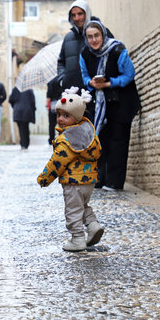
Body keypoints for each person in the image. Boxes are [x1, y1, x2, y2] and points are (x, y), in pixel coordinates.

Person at [37, 87, 105, 252]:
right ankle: (93, 225)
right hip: (89, 182)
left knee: (73, 210)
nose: (60, 119)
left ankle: (77, 239)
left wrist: (44, 178)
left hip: (74, 183)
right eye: (59, 115)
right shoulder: (88, 132)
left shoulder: (67, 139)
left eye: (66, 116)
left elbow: (57, 162)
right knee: (82, 205)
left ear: (77, 117)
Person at [79, 20, 141, 191]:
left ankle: (114, 182)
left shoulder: (117, 50)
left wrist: (108, 84)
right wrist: (91, 83)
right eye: (90, 36)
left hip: (121, 101)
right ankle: (100, 179)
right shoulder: (85, 53)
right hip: (100, 104)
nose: (94, 40)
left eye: (96, 35)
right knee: (101, 140)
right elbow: (84, 75)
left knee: (118, 141)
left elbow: (129, 74)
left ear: (103, 34)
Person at [57, 0, 114, 120]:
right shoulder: (68, 38)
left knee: (95, 131)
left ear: (87, 13)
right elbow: (61, 61)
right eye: (73, 15)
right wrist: (63, 79)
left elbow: (112, 56)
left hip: (94, 93)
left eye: (80, 14)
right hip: (73, 95)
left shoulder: (101, 33)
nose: (77, 18)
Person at [46, 75, 63, 145]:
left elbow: (48, 97)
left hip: (53, 105)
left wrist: (48, 107)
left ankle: (51, 139)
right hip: (62, 103)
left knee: (51, 124)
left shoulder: (50, 82)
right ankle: (61, 136)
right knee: (62, 121)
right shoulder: (61, 78)